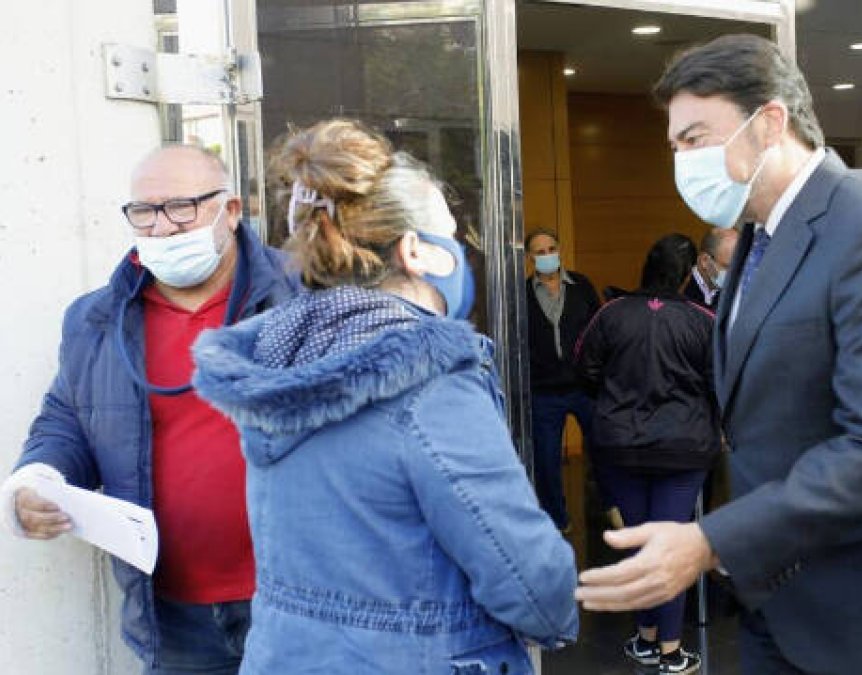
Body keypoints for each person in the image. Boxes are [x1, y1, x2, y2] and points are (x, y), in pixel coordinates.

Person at [575, 34, 862, 675]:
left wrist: (709, 541)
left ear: (769, 123)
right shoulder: (756, 239)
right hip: (781, 603)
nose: (681, 161)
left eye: (695, 138)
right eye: (674, 146)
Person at [190, 119, 578, 674]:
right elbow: (529, 581)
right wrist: (561, 617)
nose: (464, 254)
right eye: (454, 238)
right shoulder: (432, 384)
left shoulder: (280, 359)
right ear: (415, 250)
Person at [1, 145, 299, 674]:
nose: (160, 227)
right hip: (173, 614)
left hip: (301, 600)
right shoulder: (97, 320)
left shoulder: (301, 297)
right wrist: (37, 477)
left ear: (231, 211)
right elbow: (68, 418)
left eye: (181, 207)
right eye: (144, 211)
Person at [575, 234, 720, 675]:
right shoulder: (701, 319)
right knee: (671, 545)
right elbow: (721, 380)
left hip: (620, 446)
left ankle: (645, 639)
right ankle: (671, 652)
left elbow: (584, 368)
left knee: (641, 546)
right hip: (683, 449)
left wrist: (618, 400)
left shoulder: (611, 313)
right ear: (685, 273)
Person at [525, 228, 601, 532]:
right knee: (547, 461)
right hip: (544, 391)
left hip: (584, 387)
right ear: (530, 258)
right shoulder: (523, 293)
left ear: (560, 250)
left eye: (551, 249)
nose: (547, 256)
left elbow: (600, 327)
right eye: (540, 252)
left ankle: (606, 512)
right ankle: (558, 520)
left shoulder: (581, 285)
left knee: (602, 450)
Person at [681, 226, 739, 310]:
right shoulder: (681, 289)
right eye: (727, 267)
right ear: (704, 260)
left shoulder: (737, 294)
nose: (735, 273)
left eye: (738, 266)